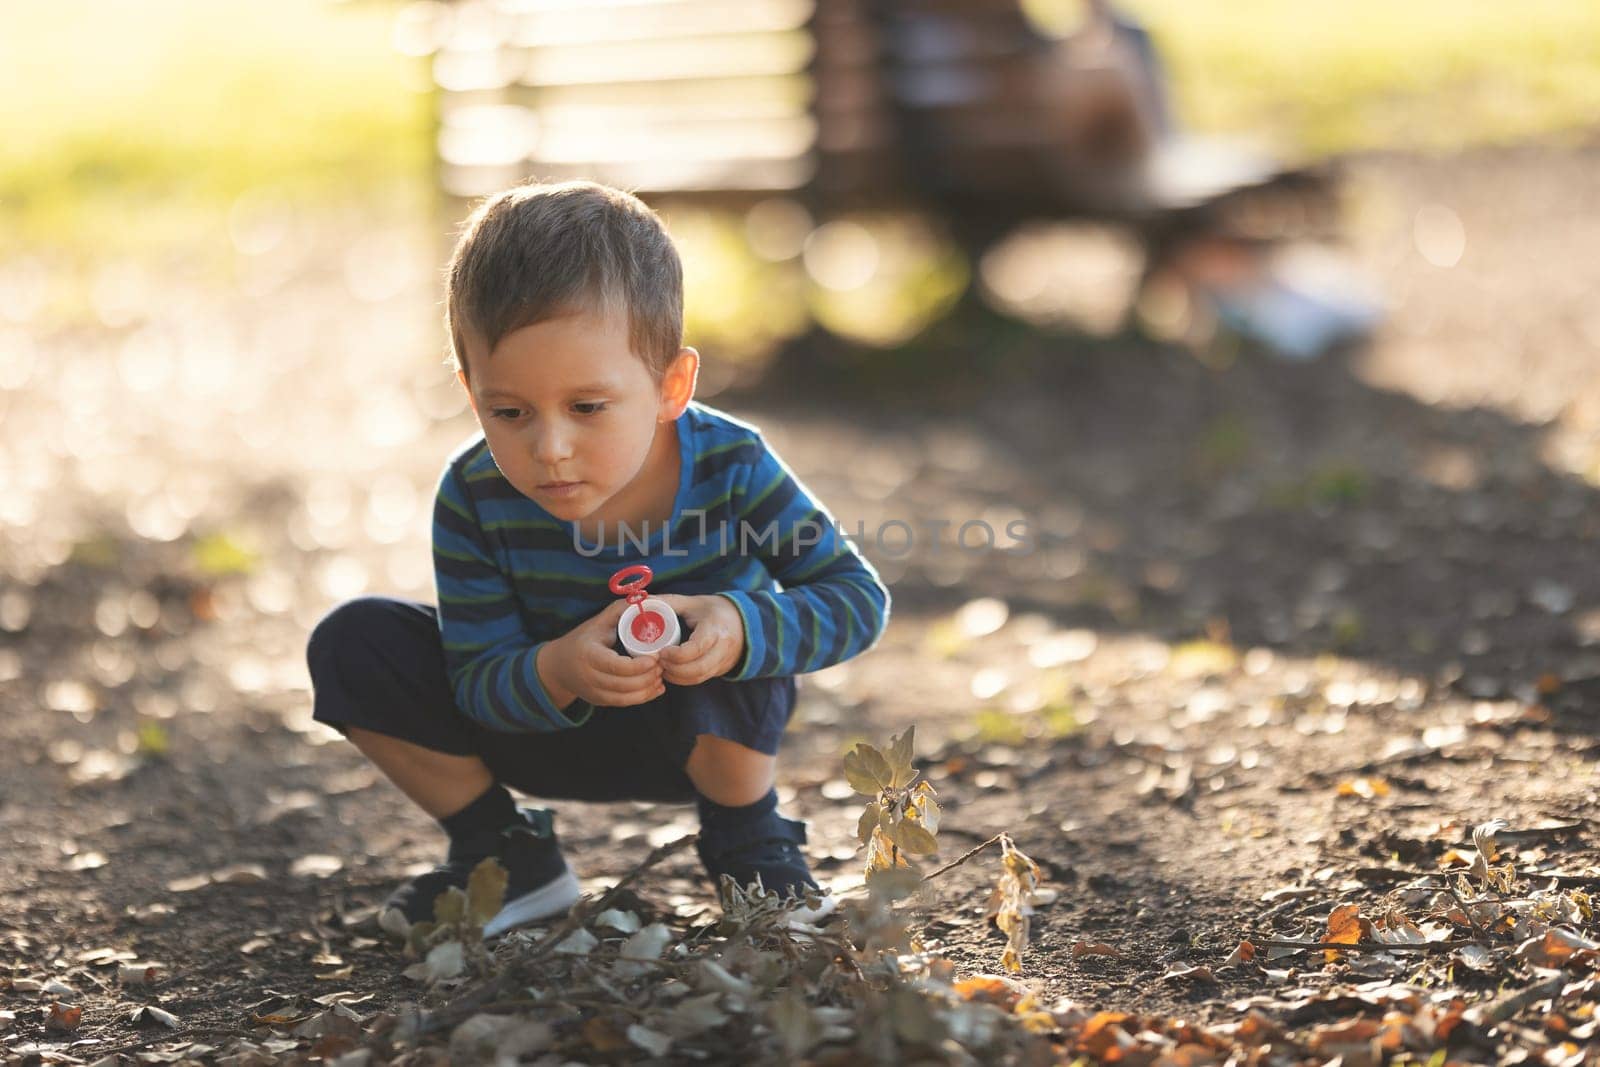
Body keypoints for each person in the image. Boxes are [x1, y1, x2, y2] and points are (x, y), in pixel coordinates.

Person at [305, 181, 890, 939]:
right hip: (541, 730)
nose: (549, 448)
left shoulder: (733, 464)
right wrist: (558, 667)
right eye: (507, 411)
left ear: (670, 385)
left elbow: (854, 599)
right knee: (355, 642)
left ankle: (750, 842)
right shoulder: (474, 494)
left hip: (699, 730)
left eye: (587, 407)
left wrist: (738, 625)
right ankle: (506, 854)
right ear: (470, 390)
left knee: (729, 617)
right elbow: (476, 676)